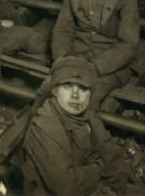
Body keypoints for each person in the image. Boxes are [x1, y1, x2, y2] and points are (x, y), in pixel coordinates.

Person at [23, 57, 129, 196]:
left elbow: (114, 156)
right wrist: (99, 168)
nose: (75, 95)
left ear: (90, 94)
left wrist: (114, 190)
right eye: (67, 86)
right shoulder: (45, 125)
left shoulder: (90, 118)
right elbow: (66, 186)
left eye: (83, 88)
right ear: (55, 90)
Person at [51, 0, 139, 104]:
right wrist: (63, 61)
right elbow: (63, 30)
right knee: (51, 91)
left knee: (88, 97)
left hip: (110, 64)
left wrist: (95, 67)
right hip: (76, 56)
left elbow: (128, 44)